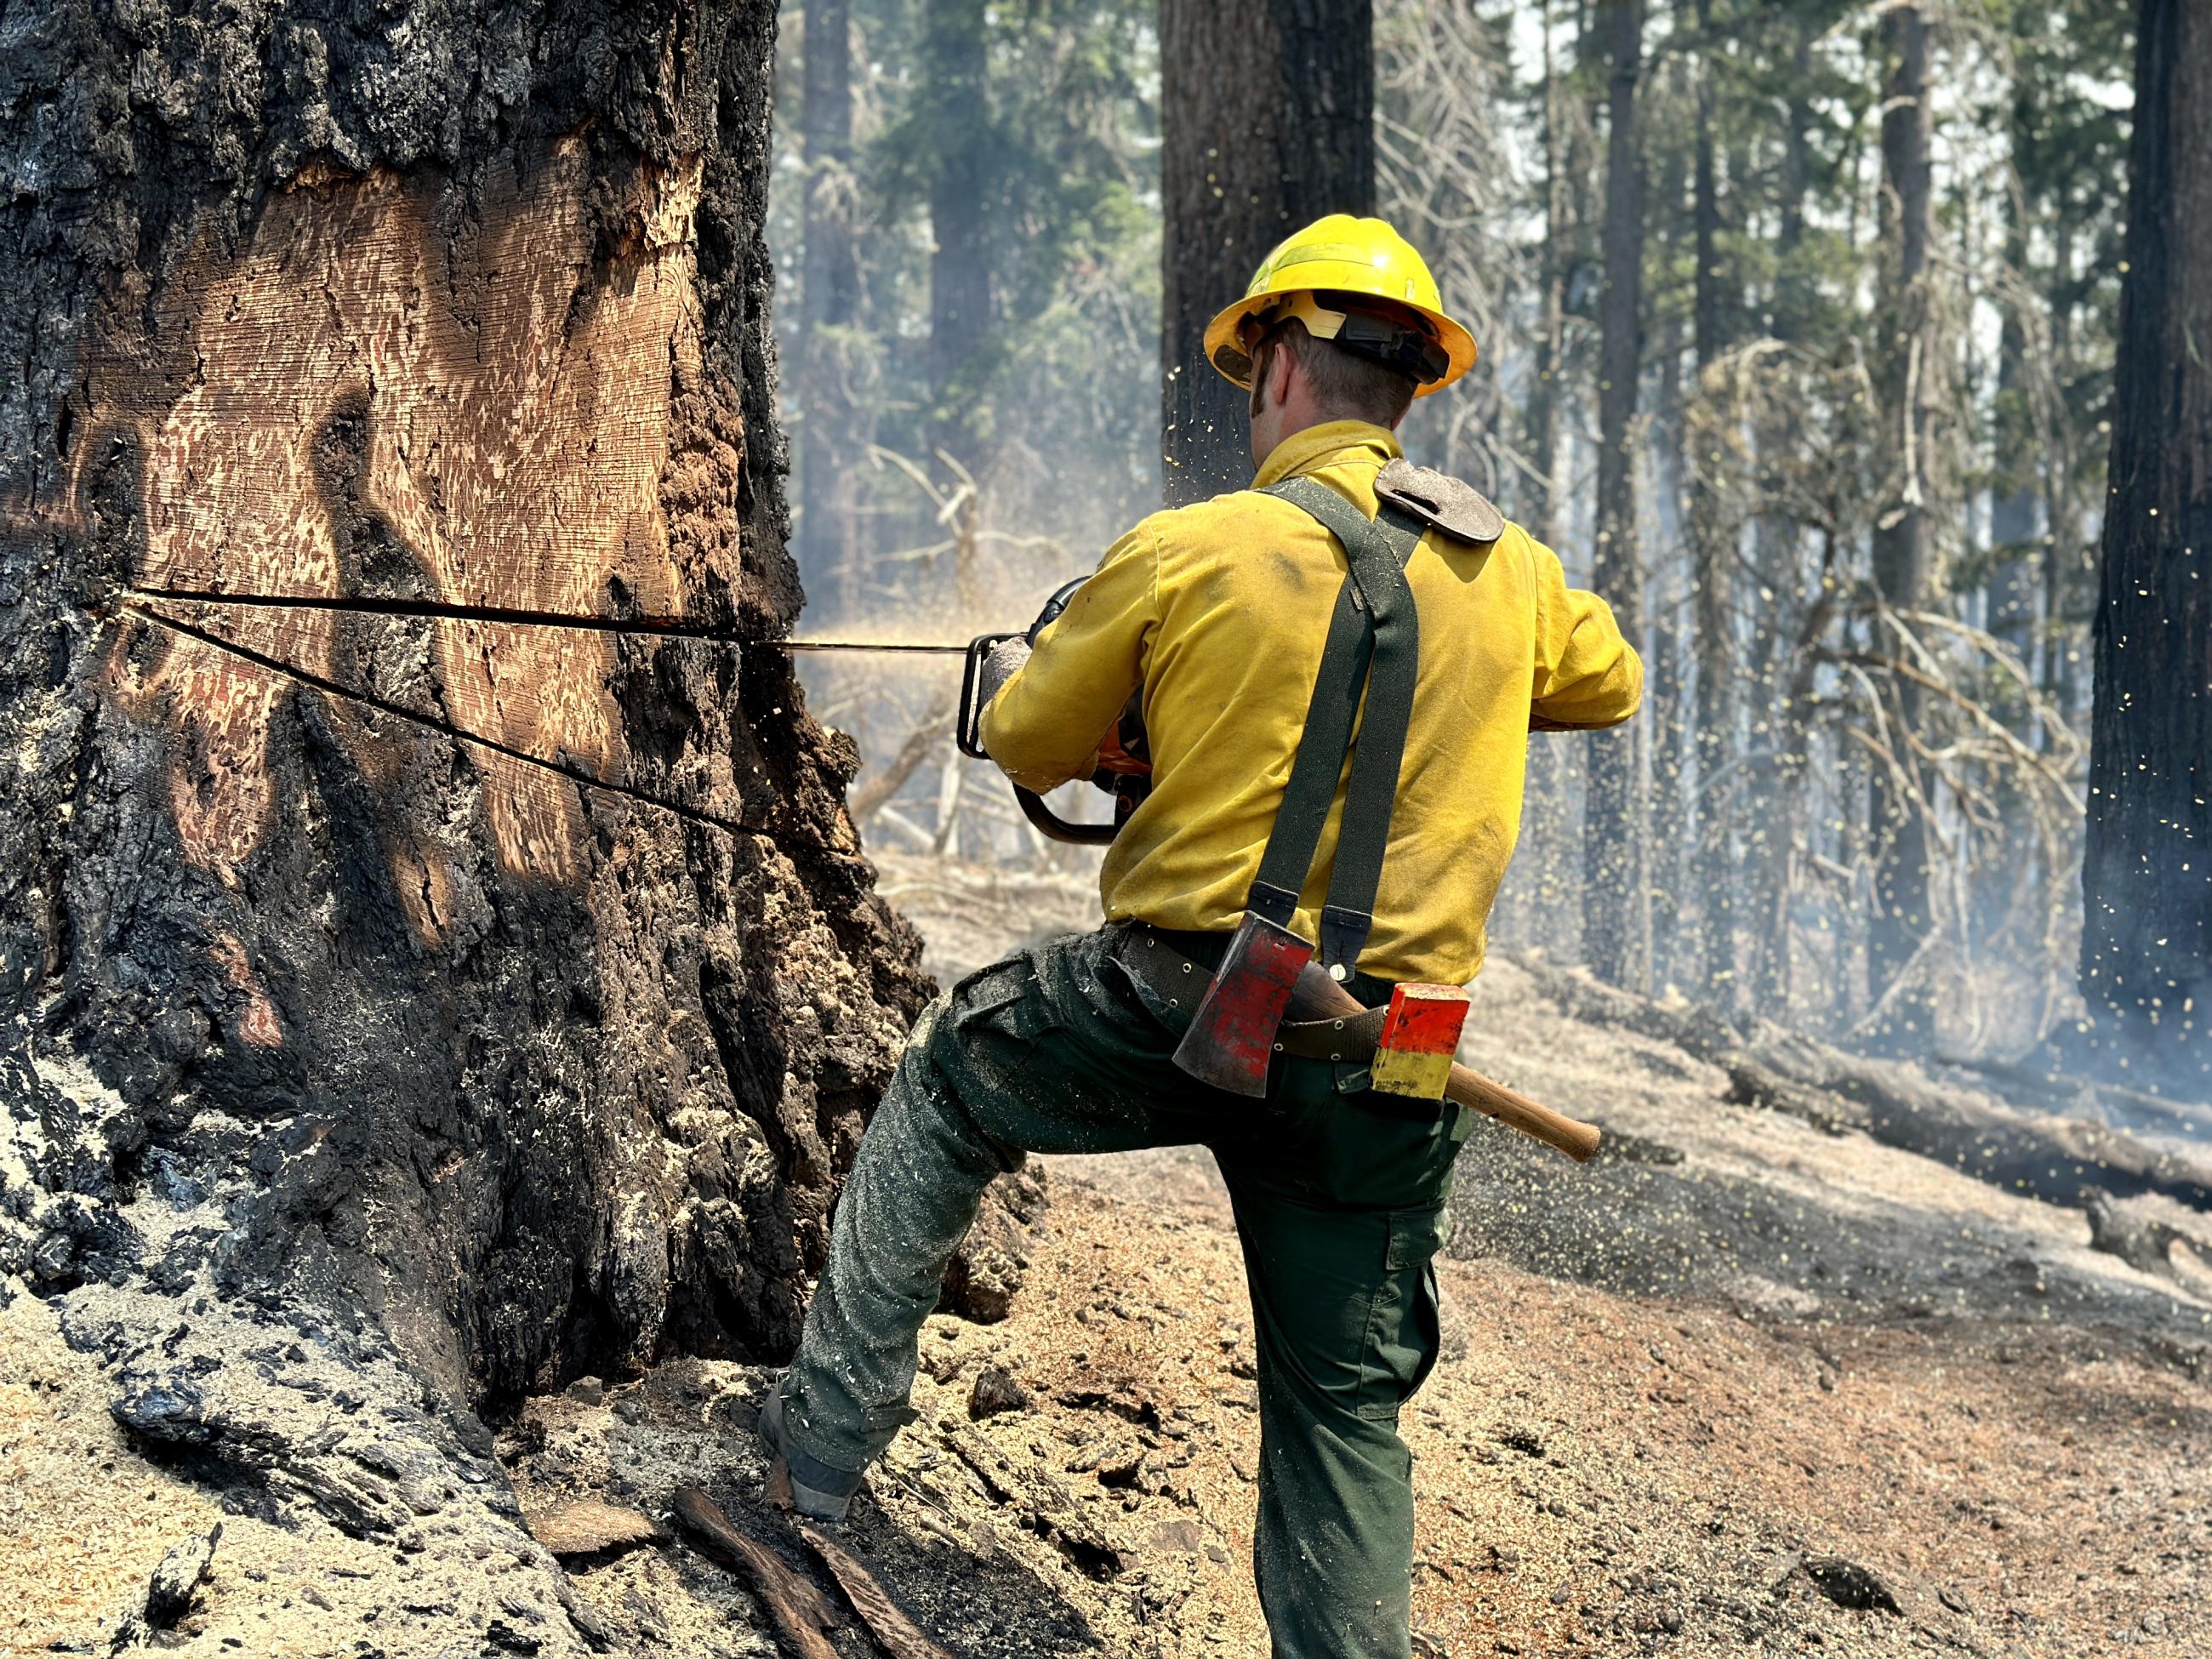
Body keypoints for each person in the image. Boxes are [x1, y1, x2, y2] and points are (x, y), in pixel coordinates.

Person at [761, 214, 1643, 1659]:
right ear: (1409, 388)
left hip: (1184, 1002)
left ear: (1284, 368)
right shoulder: (1512, 572)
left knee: (946, 1073)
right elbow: (1605, 682)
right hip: (1402, 1051)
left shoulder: (1193, 548)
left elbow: (1033, 730)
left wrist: (1157, 724)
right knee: (1342, 1404)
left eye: (1253, 371)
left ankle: (819, 1458)